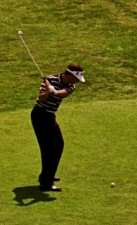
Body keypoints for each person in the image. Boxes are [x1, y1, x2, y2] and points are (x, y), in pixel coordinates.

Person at [31, 63, 84, 191]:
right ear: (70, 74)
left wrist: (53, 91)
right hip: (40, 115)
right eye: (76, 78)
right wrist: (48, 93)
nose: (77, 81)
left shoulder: (71, 86)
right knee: (49, 149)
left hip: (50, 116)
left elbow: (62, 94)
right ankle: (46, 183)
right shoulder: (51, 80)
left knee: (59, 145)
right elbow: (40, 99)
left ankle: (48, 174)